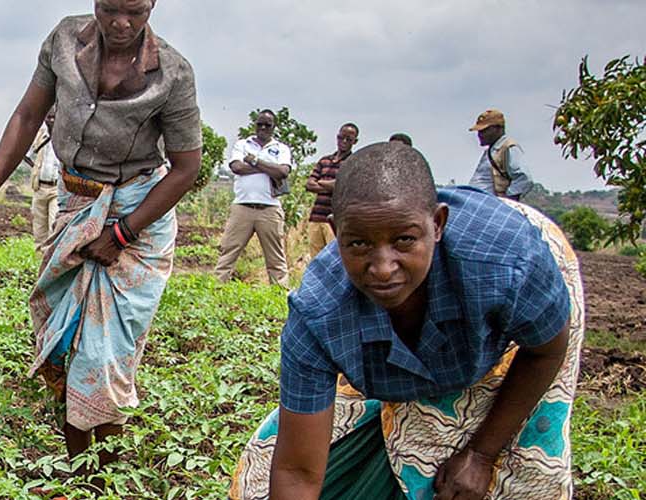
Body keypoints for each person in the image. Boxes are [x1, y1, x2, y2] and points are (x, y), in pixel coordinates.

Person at [229, 143, 583, 500]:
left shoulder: (507, 266)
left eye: (404, 240)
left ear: (438, 224)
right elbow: (297, 470)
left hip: (532, 276)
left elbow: (547, 351)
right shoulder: (319, 314)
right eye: (359, 244)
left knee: (518, 472)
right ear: (337, 233)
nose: (383, 268)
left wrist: (480, 454)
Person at [0, 0, 204, 485]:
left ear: (152, 6)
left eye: (134, 12)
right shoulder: (63, 41)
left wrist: (122, 232)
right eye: (111, 8)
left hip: (138, 217)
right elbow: (29, 115)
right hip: (74, 205)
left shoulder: (172, 74)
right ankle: (79, 473)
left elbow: (186, 168)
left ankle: (102, 481)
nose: (121, 23)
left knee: (104, 355)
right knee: (62, 341)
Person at [213, 110, 293, 287]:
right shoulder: (242, 144)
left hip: (269, 208)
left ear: (274, 128)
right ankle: (217, 288)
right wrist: (268, 168)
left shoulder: (281, 148)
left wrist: (254, 161)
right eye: (260, 124)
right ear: (255, 125)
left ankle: (280, 292)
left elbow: (283, 172)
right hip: (242, 206)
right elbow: (237, 167)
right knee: (228, 251)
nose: (263, 128)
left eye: (267, 125)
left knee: (276, 257)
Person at [303, 123, 358, 257]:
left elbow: (345, 185)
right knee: (316, 257)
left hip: (335, 219)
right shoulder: (324, 160)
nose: (343, 141)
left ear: (355, 141)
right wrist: (332, 185)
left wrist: (321, 183)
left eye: (348, 139)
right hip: (316, 216)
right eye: (341, 137)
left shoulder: (353, 162)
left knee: (335, 257)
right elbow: (309, 185)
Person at [469, 109, 534, 201]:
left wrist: (505, 201)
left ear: (498, 128)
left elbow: (525, 179)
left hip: (490, 205)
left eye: (484, 131)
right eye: (479, 132)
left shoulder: (508, 147)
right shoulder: (491, 150)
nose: (480, 135)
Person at [24, 108, 62, 257]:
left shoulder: (65, 136)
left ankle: (50, 259)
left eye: (53, 118)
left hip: (56, 188)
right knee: (39, 228)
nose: (50, 120)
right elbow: (26, 154)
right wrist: (35, 168)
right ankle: (39, 260)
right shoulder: (40, 135)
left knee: (54, 225)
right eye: (48, 118)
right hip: (40, 187)